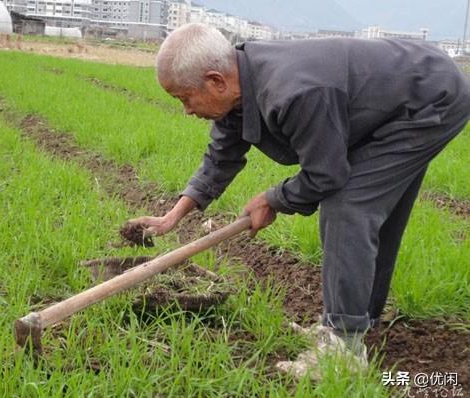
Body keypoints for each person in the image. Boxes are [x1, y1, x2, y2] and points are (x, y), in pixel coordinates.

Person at [129, 23, 470, 379]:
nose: (186, 110)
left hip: (430, 98)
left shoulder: (292, 91)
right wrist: (172, 217)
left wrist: (273, 199)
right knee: (367, 208)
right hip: (398, 97)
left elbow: (326, 175)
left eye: (185, 98)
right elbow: (221, 156)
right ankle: (351, 321)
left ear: (216, 81)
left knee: (349, 206)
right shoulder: (240, 82)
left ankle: (345, 350)